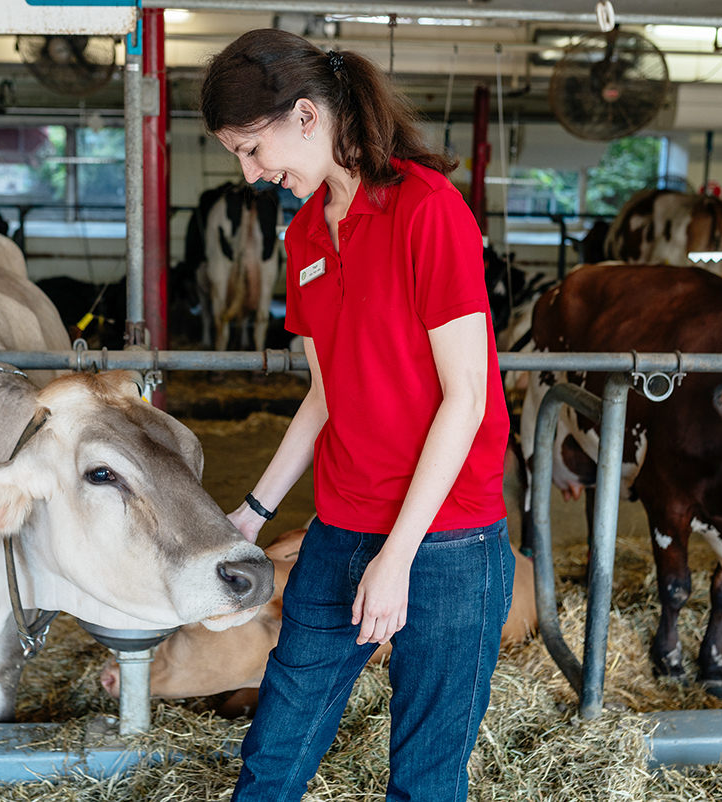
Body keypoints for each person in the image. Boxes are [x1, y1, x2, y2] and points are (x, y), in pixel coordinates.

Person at [199, 29, 515, 802]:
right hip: (341, 527)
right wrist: (253, 511)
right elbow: (325, 395)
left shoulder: (427, 209)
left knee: (426, 776)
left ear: (306, 117)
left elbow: (465, 398)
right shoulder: (306, 232)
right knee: (273, 753)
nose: (250, 173)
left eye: (250, 149)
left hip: (447, 540)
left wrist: (399, 556)